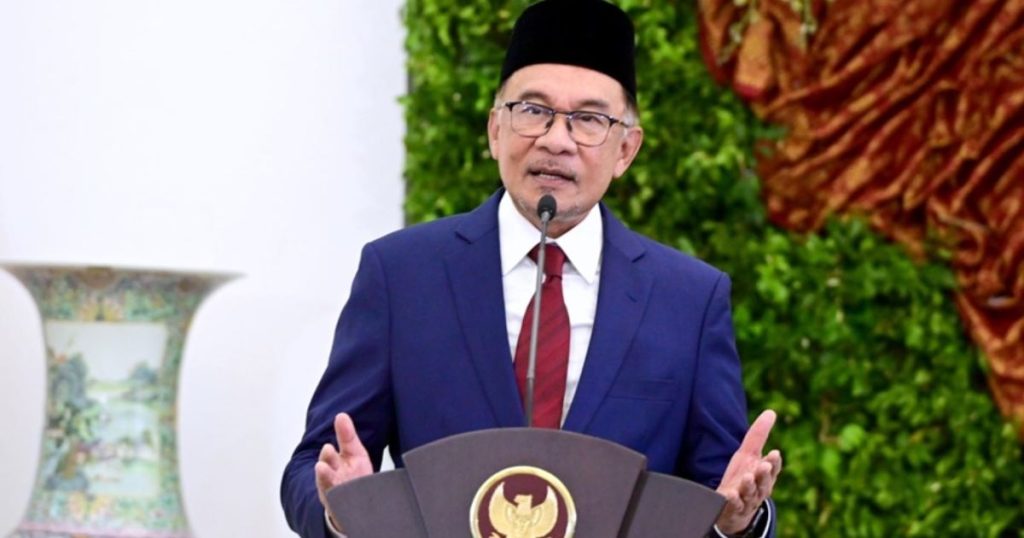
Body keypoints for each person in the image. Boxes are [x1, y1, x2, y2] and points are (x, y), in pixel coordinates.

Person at [281, 1, 782, 537]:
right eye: (533, 110)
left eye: (589, 120)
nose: (556, 140)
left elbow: (722, 493)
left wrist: (740, 523)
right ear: (495, 129)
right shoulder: (402, 276)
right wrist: (342, 510)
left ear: (626, 150)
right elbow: (313, 466)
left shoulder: (688, 299)